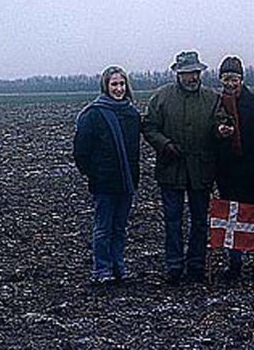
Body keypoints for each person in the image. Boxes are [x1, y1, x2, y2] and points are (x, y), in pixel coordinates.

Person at [142, 50, 221, 285]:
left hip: (201, 170)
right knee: (172, 220)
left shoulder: (212, 98)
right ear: (177, 73)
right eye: (187, 73)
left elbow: (222, 122)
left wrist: (221, 131)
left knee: (199, 220)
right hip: (171, 168)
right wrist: (164, 144)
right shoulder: (161, 97)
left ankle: (196, 265)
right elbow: (148, 127)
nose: (192, 77)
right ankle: (174, 265)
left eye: (195, 72)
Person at [73, 65, 140, 284]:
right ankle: (102, 269)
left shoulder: (131, 113)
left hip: (127, 180)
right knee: (103, 228)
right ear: (106, 86)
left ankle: (118, 266)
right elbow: (81, 150)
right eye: (114, 84)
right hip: (104, 182)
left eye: (122, 84)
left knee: (120, 228)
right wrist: (94, 173)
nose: (119, 88)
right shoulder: (94, 113)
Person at [214, 55, 254, 281]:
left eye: (235, 78)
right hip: (228, 173)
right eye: (226, 78)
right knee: (232, 219)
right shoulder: (218, 103)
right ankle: (235, 264)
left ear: (242, 79)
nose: (230, 83)